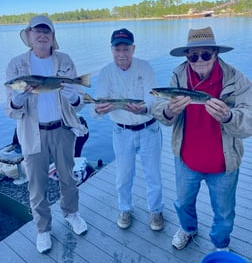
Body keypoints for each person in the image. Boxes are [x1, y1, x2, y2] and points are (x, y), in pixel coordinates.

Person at [151, 26, 252, 251]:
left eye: (206, 54)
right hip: (187, 159)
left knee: (224, 212)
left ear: (216, 54)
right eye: (193, 56)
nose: (199, 61)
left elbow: (249, 119)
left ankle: (220, 244)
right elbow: (158, 108)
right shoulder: (178, 75)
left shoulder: (237, 79)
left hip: (224, 163)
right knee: (183, 203)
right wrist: (168, 110)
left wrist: (229, 116)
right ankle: (188, 229)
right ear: (187, 56)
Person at [5, 15, 88, 254]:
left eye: (47, 32)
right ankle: (43, 229)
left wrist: (74, 96)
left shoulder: (65, 60)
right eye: (37, 31)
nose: (42, 36)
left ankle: (71, 214)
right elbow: (10, 110)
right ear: (29, 35)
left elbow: (79, 103)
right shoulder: (16, 65)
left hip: (61, 129)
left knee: (68, 178)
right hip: (33, 134)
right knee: (36, 185)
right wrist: (18, 100)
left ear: (53, 37)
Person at [93, 28, 164, 231]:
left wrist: (144, 108)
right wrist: (99, 109)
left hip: (149, 129)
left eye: (126, 48)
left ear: (133, 48)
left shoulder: (145, 67)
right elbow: (95, 108)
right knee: (123, 175)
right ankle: (125, 208)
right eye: (118, 49)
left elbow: (153, 98)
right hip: (121, 131)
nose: (122, 53)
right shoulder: (105, 72)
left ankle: (156, 211)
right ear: (111, 50)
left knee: (154, 174)